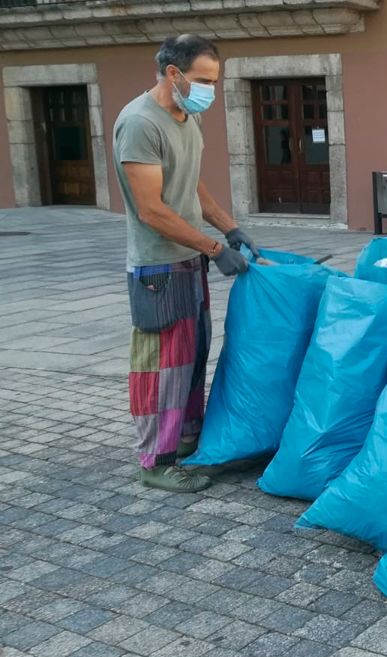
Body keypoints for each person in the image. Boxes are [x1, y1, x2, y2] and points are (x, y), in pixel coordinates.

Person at [115, 34, 261, 492]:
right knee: (160, 367)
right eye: (204, 81)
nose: (210, 92)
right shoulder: (141, 122)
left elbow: (192, 185)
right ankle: (155, 462)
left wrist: (229, 227)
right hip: (157, 270)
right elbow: (151, 209)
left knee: (192, 359)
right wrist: (217, 250)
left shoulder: (186, 117)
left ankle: (180, 442)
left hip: (188, 263)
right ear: (174, 74)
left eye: (215, 82)